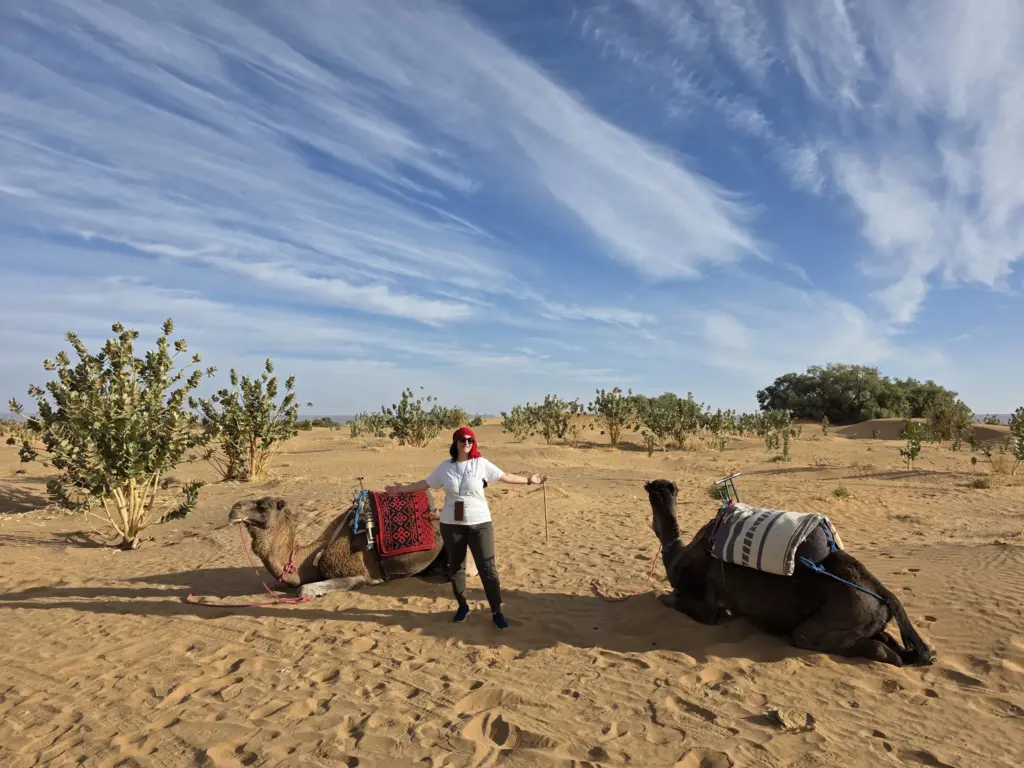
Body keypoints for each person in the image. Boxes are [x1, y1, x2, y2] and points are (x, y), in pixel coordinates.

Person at [385, 426, 547, 630]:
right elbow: (425, 483)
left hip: (480, 524)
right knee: (456, 567)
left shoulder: (481, 464)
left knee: (488, 568)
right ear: (455, 443)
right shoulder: (445, 467)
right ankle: (463, 606)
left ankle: (496, 610)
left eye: (470, 439)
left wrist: (529, 481)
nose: (467, 443)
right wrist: (400, 490)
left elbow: (505, 476)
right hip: (452, 525)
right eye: (462, 439)